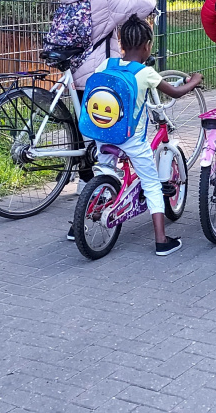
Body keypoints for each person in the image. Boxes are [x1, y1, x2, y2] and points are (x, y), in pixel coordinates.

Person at [56, 0, 155, 242]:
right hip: (100, 75)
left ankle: (86, 193)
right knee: (110, 142)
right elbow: (141, 6)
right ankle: (95, 199)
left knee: (91, 136)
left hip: (72, 68)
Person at [90, 15, 203, 256]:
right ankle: (162, 241)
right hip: (130, 140)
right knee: (152, 184)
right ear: (147, 46)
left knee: (106, 171)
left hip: (101, 133)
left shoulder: (105, 65)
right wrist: (193, 81)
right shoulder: (146, 73)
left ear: (121, 43)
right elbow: (176, 91)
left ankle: (84, 218)